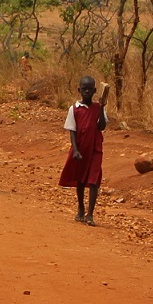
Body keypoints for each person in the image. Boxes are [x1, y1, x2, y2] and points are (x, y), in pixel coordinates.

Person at [59, 77, 108, 224]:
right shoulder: (74, 109)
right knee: (80, 179)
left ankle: (90, 215)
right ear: (79, 90)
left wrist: (102, 107)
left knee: (94, 181)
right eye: (84, 89)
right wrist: (75, 149)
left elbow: (102, 126)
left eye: (90, 89)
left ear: (95, 90)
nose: (87, 91)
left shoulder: (98, 108)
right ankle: (81, 207)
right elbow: (72, 131)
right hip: (81, 148)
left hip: (95, 148)